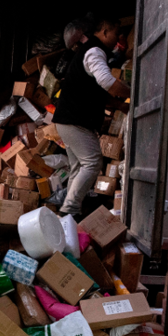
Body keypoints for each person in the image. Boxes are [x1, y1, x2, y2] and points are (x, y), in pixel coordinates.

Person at [52, 13, 131, 218]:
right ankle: (69, 209)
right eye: (115, 32)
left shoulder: (91, 51)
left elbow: (97, 92)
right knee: (93, 162)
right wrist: (133, 93)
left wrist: (120, 106)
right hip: (74, 120)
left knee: (79, 166)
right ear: (104, 31)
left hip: (68, 119)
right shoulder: (95, 51)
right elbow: (107, 82)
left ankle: (69, 214)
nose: (118, 38)